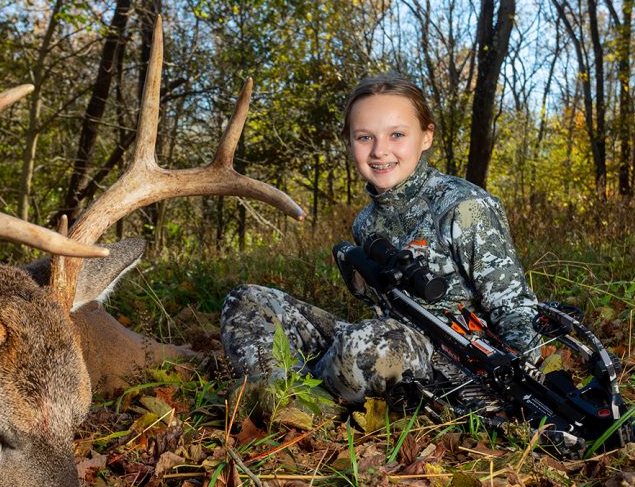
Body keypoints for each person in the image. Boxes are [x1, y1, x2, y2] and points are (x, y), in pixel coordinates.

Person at [220, 74, 540, 408]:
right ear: (349, 142)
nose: (379, 151)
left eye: (397, 134)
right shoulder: (366, 221)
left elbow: (515, 307)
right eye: (364, 137)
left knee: (361, 346)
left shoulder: (464, 206)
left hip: (458, 365)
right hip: (387, 339)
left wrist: (518, 382)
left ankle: (312, 402)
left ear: (426, 136)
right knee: (245, 300)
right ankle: (283, 394)